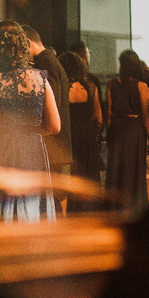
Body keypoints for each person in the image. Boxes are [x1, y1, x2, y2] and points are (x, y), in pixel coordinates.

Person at [0, 19, 60, 223]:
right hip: (30, 152)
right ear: (21, 45)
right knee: (30, 212)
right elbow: (54, 126)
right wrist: (29, 132)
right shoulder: (40, 79)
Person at [23, 25, 73, 214]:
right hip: (58, 144)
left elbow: (52, 102)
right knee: (55, 198)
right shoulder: (51, 60)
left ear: (28, 42)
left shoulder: (45, 62)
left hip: (53, 143)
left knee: (53, 201)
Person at [105, 50, 149, 209]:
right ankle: (133, 206)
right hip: (135, 129)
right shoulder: (141, 86)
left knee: (116, 169)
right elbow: (145, 114)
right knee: (134, 169)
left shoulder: (111, 83)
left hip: (117, 128)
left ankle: (114, 206)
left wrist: (109, 134)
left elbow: (108, 111)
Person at [60, 50, 105, 192]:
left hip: (69, 138)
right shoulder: (90, 87)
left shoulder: (62, 89)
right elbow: (98, 118)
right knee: (89, 177)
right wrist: (95, 135)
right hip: (88, 137)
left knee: (73, 177)